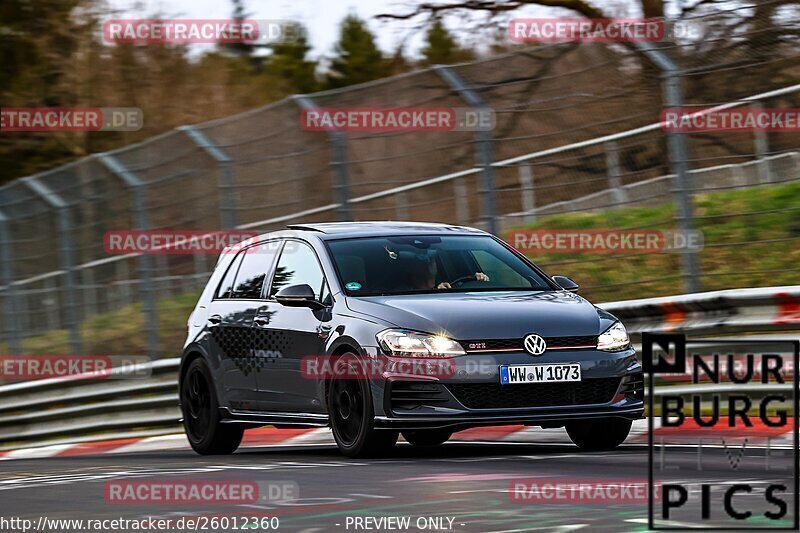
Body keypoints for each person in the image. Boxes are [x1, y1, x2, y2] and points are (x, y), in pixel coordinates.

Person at [406, 254, 489, 290]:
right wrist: (435, 291)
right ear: (411, 267)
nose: (427, 261)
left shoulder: (452, 287)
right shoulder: (403, 293)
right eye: (421, 259)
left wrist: (477, 280)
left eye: (431, 258)